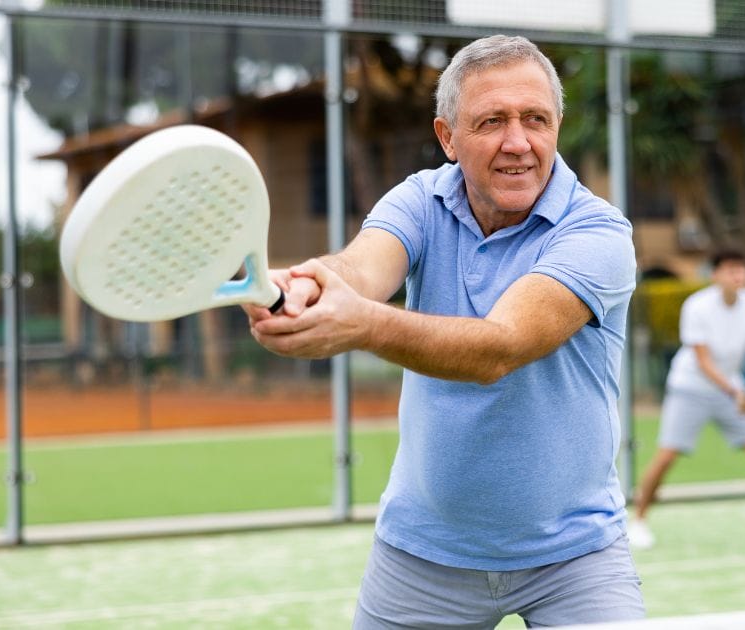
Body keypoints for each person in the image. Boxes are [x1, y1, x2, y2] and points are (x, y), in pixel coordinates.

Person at [245, 35, 644, 628]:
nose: (518, 142)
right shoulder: (419, 200)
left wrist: (363, 324)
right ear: (448, 138)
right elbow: (360, 269)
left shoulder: (599, 234)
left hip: (577, 556)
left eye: (535, 119)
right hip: (421, 556)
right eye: (491, 122)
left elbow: (500, 346)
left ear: (557, 126)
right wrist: (309, 283)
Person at [627, 249, 745, 551]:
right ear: (715, 275)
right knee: (667, 456)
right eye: (730, 269)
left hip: (734, 390)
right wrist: (735, 392)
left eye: (742, 269)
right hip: (690, 388)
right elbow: (703, 361)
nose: (738, 275)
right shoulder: (697, 306)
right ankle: (638, 522)